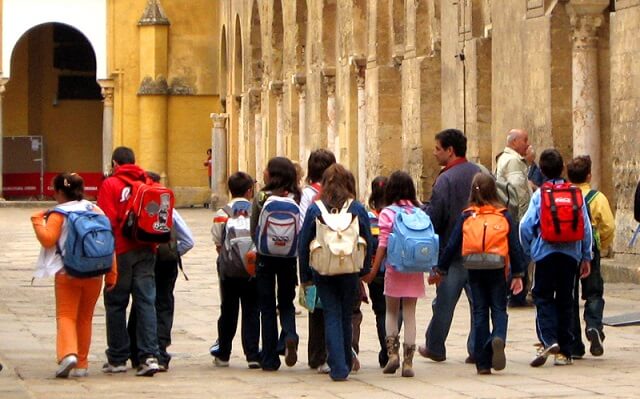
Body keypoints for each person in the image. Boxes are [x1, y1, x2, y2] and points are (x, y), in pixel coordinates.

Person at [434, 173, 526, 374]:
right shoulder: (503, 214)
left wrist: (441, 268)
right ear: (494, 190)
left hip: (474, 267)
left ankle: (483, 363)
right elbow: (514, 246)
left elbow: (452, 244)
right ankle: (498, 336)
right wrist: (518, 273)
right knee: (499, 308)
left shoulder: (467, 214)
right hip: (497, 267)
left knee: (480, 311)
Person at [31, 173, 117, 378]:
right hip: (95, 272)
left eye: (54, 190)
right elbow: (108, 243)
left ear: (60, 192)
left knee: (66, 315)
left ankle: (68, 354)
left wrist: (36, 221)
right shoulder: (95, 209)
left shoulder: (58, 213)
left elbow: (48, 240)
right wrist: (112, 273)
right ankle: (82, 364)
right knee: (85, 318)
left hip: (67, 272)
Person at [298, 164, 372, 381]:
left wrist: (305, 277)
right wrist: (364, 269)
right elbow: (368, 239)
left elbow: (303, 245)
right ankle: (346, 362)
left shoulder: (315, 209)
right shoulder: (356, 208)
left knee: (331, 314)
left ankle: (338, 365)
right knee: (346, 315)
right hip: (350, 269)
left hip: (324, 269)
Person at [520, 148, 592, 367]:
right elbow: (586, 227)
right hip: (570, 255)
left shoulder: (540, 194)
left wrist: (529, 249)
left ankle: (549, 339)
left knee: (542, 296)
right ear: (563, 169)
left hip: (545, 253)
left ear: (541, 170)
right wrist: (586, 256)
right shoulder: (575, 193)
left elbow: (525, 225)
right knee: (565, 300)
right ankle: (566, 352)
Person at [97, 146, 161, 376]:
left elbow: (106, 220)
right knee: (146, 302)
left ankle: (117, 357)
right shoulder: (148, 182)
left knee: (116, 303)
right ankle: (149, 356)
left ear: (115, 164)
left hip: (121, 250)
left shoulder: (110, 184)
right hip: (146, 248)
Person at [419, 128, 480, 363]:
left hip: (452, 252)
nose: (434, 154)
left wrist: (423, 211)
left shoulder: (445, 179)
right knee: (478, 304)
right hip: (479, 248)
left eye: (437, 149)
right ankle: (477, 348)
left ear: (450, 151)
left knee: (444, 302)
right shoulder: (479, 173)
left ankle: (435, 345)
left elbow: (437, 216)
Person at [127, 172, 194, 372]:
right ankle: (161, 354)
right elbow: (189, 240)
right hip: (167, 263)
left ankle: (138, 352)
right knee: (164, 305)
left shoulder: (137, 205)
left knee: (142, 303)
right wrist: (173, 253)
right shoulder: (168, 207)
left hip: (144, 260)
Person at [363, 171, 426, 378]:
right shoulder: (419, 211)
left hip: (394, 267)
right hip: (414, 269)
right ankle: (409, 361)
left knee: (390, 311)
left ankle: (392, 355)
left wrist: (373, 270)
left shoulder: (388, 212)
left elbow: (382, 244)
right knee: (409, 314)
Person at [250, 157, 301, 371]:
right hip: (289, 257)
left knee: (267, 306)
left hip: (266, 257)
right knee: (286, 302)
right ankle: (289, 335)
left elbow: (254, 228)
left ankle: (270, 358)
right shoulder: (296, 196)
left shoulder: (262, 196)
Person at [209, 171, 260, 369]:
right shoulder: (255, 211)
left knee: (228, 310)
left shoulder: (223, 213)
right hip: (252, 267)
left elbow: (218, 243)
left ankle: (224, 353)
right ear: (249, 191)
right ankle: (253, 354)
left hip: (228, 270)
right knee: (251, 310)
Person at [567, 155, 614, 359]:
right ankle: (593, 325)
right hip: (590, 248)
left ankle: (575, 344)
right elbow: (608, 226)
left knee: (569, 296)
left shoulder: (565, 196)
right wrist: (601, 244)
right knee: (594, 291)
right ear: (589, 175)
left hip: (567, 248)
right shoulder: (597, 198)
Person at [298, 149, 336, 373]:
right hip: (340, 255)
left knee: (317, 307)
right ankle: (339, 352)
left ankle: (316, 355)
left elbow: (304, 227)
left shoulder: (308, 194)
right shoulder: (342, 193)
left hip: (316, 255)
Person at [495, 129, 533, 307]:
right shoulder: (513, 162)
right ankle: (517, 293)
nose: (527, 143)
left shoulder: (506, 158)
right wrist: (525, 218)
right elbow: (519, 192)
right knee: (520, 253)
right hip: (517, 216)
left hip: (509, 215)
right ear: (515, 142)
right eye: (524, 140)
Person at [356, 176, 389, 368]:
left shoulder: (368, 218)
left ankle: (386, 349)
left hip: (375, 273)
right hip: (395, 270)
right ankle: (391, 345)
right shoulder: (395, 215)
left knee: (381, 312)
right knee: (398, 310)